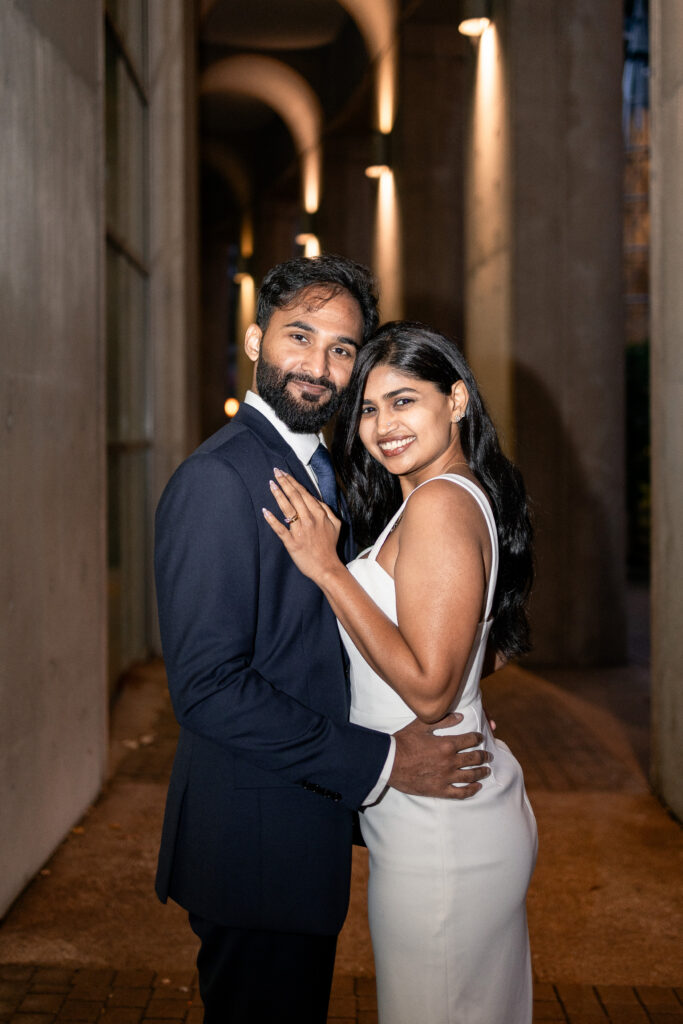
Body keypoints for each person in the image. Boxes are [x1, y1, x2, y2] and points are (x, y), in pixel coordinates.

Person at [154, 259, 493, 1024]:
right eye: (298, 337)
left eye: (342, 348)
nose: (318, 365)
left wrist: (455, 678)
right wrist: (384, 759)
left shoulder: (332, 469)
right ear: (254, 338)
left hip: (304, 832)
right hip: (255, 843)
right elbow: (207, 687)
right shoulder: (220, 479)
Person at [265, 320, 538, 1024]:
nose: (381, 426)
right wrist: (465, 693)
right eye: (366, 408)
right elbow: (476, 649)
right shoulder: (437, 496)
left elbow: (427, 688)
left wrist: (329, 570)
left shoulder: (441, 504)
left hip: (440, 836)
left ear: (455, 401)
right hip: (437, 810)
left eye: (403, 400)